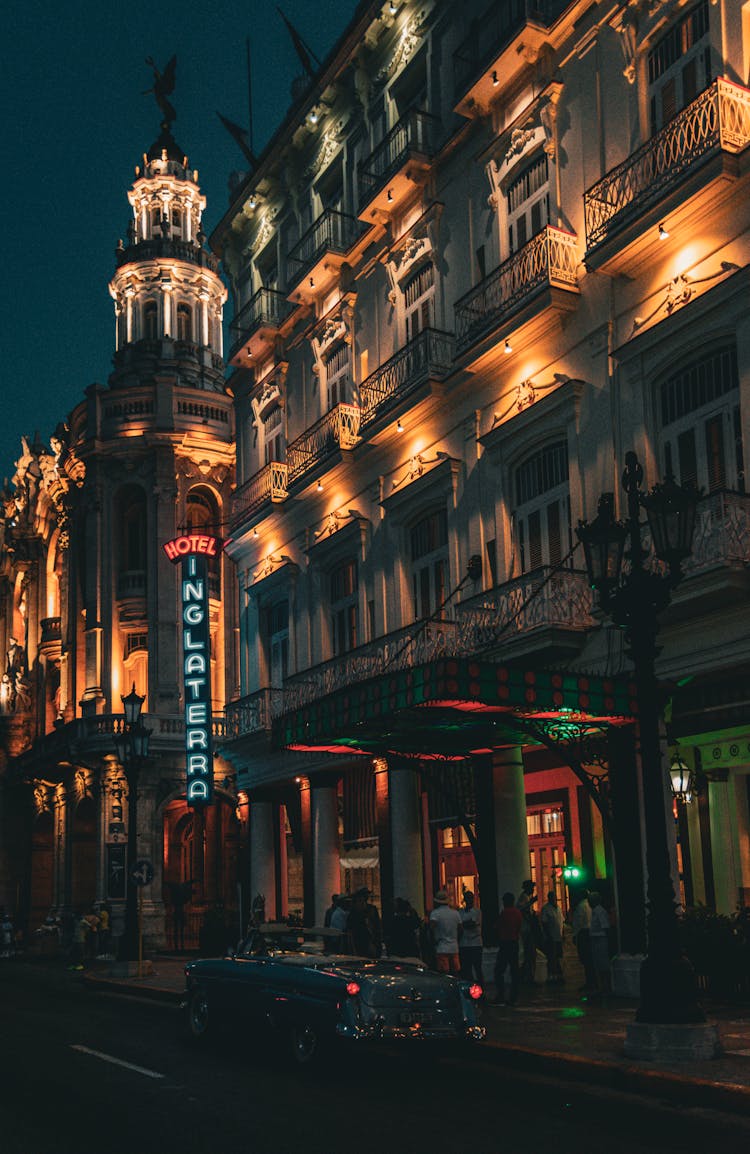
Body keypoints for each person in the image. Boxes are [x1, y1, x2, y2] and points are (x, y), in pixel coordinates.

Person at [493, 892, 522, 1005]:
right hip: (514, 942)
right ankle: (513, 996)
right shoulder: (517, 913)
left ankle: (501, 994)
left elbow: (497, 926)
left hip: (505, 943)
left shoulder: (504, 913)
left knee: (499, 970)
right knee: (514, 970)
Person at [429, 889, 462, 974]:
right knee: (455, 973)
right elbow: (460, 930)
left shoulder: (435, 914)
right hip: (454, 947)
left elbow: (431, 929)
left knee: (444, 973)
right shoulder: (456, 913)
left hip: (441, 947)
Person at [572, 891, 596, 992]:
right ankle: (592, 982)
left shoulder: (581, 906)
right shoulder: (591, 906)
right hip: (591, 933)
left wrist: (575, 935)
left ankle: (590, 982)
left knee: (586, 959)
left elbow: (578, 922)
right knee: (590, 959)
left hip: (583, 933)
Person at [347, 887, 382, 958]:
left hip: (372, 940)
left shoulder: (372, 909)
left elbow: (377, 925)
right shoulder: (354, 912)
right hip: (361, 941)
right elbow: (352, 929)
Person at [588, 892, 611, 995]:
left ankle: (606, 986)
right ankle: (602, 986)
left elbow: (605, 926)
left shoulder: (599, 911)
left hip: (600, 939)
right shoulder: (595, 911)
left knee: (603, 964)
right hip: (596, 939)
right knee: (598, 963)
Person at [517, 879, 539, 983]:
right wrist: (531, 902)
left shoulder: (526, 897)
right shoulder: (524, 897)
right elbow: (521, 909)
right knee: (529, 954)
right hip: (526, 929)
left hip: (527, 929)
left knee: (530, 954)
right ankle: (528, 977)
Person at [459, 891, 483, 983]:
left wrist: (463, 925)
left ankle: (480, 989)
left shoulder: (477, 911)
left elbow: (471, 924)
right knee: (467, 969)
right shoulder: (461, 912)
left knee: (477, 968)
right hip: (466, 943)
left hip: (474, 943)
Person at [540, 890, 564, 982]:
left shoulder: (558, 908)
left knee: (558, 956)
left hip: (558, 937)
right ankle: (551, 976)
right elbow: (544, 923)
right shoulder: (546, 909)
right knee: (551, 957)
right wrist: (548, 935)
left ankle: (558, 975)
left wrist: (563, 934)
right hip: (551, 937)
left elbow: (561, 922)